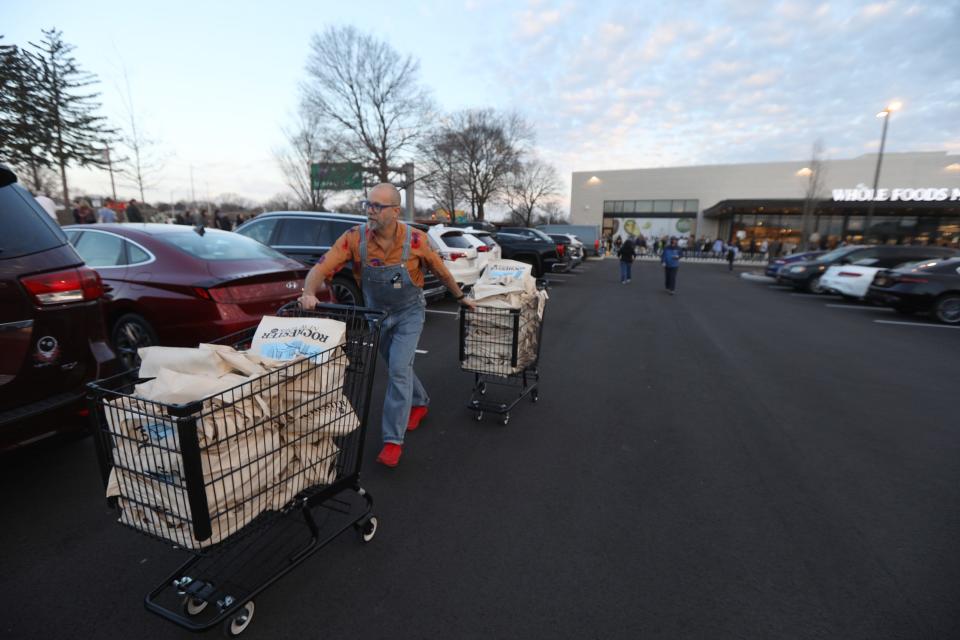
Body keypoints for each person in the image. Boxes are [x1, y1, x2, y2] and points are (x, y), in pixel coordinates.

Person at [299, 183, 477, 468]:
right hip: (376, 315)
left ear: (395, 211)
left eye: (377, 206)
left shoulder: (416, 241)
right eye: (368, 204)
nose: (370, 211)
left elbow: (441, 271)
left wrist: (460, 298)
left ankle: (393, 441)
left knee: (397, 369)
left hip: (409, 314)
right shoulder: (353, 239)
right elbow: (321, 267)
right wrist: (309, 292)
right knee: (399, 367)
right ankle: (419, 402)